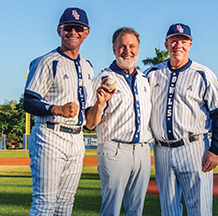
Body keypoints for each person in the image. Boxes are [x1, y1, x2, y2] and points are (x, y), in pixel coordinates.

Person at [145, 23, 218, 216]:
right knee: (169, 209)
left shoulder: (203, 74)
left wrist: (215, 150)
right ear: (166, 44)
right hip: (162, 150)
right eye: (174, 40)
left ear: (190, 44)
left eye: (183, 41)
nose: (178, 45)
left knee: (199, 209)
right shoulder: (152, 74)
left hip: (194, 148)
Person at [23, 7, 93, 215]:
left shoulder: (88, 66)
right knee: (44, 203)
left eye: (78, 28)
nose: (73, 32)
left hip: (77, 139)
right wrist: (56, 109)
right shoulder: (46, 61)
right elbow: (29, 101)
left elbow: (88, 109)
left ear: (86, 32)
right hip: (50, 135)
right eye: (68, 27)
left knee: (66, 203)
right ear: (59, 31)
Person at [86, 27, 152, 216]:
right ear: (114, 49)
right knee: (111, 210)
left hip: (142, 150)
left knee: (136, 210)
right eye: (121, 46)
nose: (127, 51)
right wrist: (100, 104)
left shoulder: (144, 79)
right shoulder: (103, 79)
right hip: (114, 150)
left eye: (132, 46)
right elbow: (90, 124)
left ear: (138, 49)